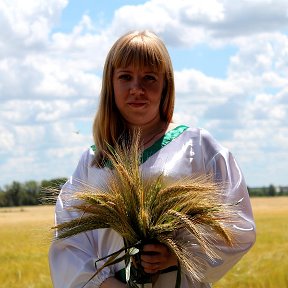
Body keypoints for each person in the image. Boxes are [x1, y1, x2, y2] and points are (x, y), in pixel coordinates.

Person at [49, 30, 256, 288]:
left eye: (149, 77)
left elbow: (238, 225)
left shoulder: (196, 146)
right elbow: (68, 242)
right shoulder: (92, 161)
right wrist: (105, 284)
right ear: (110, 84)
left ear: (166, 84)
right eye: (126, 77)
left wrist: (176, 255)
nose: (137, 89)